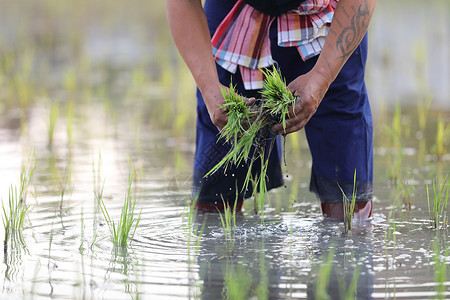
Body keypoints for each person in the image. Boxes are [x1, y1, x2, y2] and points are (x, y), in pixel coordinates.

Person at [166, 0, 376, 220]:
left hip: (326, 21)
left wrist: (322, 77)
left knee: (351, 208)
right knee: (212, 208)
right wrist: (210, 89)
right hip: (232, 22)